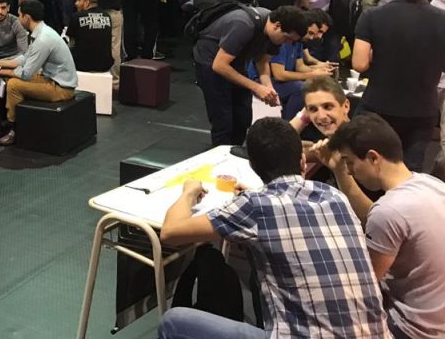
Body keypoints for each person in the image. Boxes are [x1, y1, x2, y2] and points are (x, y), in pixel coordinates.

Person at [157, 117, 389, 339]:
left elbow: (170, 232)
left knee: (173, 321)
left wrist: (189, 193)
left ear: (252, 165)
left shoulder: (254, 206)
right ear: (302, 160)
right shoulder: (334, 196)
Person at [322, 114, 445, 339]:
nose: (349, 171)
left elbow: (365, 283)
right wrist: (338, 172)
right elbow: (382, 219)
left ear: (373, 157)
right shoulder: (430, 183)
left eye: (349, 162)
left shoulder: (389, 210)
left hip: (412, 330)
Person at [353, 0, 445, 170]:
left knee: (373, 166)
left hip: (379, 105)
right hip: (422, 107)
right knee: (410, 170)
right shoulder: (441, 19)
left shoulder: (372, 16)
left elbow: (359, 63)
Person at [193, 5, 309, 146]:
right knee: (223, 121)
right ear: (277, 26)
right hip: (211, 61)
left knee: (243, 117)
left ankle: (234, 150)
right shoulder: (243, 25)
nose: (287, 43)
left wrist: (269, 88)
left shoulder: (274, 34)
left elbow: (262, 60)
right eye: (286, 39)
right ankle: (221, 153)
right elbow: (219, 65)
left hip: (236, 61)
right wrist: (256, 87)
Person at [0, 0, 78, 146]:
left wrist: (2, 72)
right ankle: (11, 118)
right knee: (13, 80)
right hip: (50, 78)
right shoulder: (42, 32)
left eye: (19, 15)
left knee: (14, 85)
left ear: (26, 17)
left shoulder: (43, 39)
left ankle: (14, 129)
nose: (18, 18)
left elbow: (26, 73)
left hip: (62, 88)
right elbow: (24, 58)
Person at [65, 0, 113, 74]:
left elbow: (71, 42)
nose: (76, 3)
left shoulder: (76, 17)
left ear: (87, 2)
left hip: (82, 65)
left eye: (79, 0)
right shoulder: (107, 16)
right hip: (105, 65)